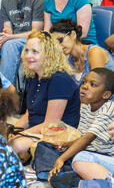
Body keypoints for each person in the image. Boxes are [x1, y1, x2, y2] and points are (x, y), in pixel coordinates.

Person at [9, 31, 81, 160]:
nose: (28, 56)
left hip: (58, 136)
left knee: (15, 144)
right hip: (37, 131)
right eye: (27, 51)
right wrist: (13, 131)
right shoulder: (34, 76)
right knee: (2, 137)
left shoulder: (60, 79)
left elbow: (51, 124)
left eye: (35, 52)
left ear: (48, 54)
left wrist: (21, 135)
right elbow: (28, 114)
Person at [48, 68, 114, 188]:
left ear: (106, 94)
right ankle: (79, 175)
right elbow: (81, 136)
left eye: (92, 85)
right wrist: (68, 145)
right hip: (92, 153)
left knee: (79, 158)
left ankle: (100, 181)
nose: (84, 87)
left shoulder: (109, 108)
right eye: (84, 82)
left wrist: (61, 159)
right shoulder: (85, 107)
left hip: (107, 157)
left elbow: (88, 138)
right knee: (47, 146)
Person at [50, 19, 114, 86]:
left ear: (73, 35)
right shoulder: (67, 59)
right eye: (55, 44)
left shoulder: (94, 52)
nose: (59, 46)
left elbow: (98, 86)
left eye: (60, 40)